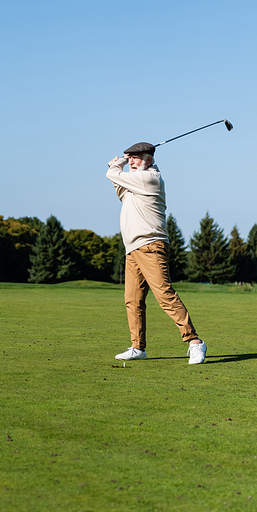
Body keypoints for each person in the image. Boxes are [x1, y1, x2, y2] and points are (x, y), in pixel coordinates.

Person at [107, 142, 206, 365]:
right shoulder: (135, 183)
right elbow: (120, 188)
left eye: (135, 157)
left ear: (148, 160)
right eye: (129, 157)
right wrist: (118, 169)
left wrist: (117, 163)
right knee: (133, 300)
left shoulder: (150, 179)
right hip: (133, 249)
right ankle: (137, 347)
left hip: (151, 245)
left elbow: (111, 174)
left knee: (164, 295)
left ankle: (195, 342)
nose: (130, 161)